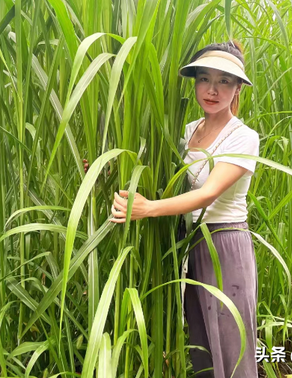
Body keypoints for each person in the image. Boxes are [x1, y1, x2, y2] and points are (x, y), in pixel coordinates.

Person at [110, 41, 260, 378]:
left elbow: (208, 193)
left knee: (230, 344)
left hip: (225, 246)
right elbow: (154, 171)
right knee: (201, 345)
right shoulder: (188, 130)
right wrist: (107, 168)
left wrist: (148, 209)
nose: (211, 89)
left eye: (224, 81)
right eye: (204, 79)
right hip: (190, 242)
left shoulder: (243, 137)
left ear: (237, 88)